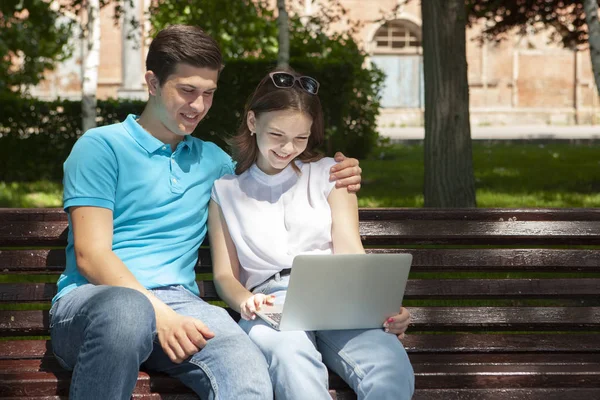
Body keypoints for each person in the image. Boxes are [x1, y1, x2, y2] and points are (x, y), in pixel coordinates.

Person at [49, 25, 362, 400]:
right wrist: (157, 314)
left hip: (181, 304)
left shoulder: (214, 162)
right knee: (127, 312)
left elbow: (274, 170)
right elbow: (91, 254)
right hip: (96, 302)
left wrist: (339, 168)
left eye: (208, 94)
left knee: (247, 369)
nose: (197, 105)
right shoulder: (100, 147)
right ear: (152, 83)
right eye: (186, 90)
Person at [208, 68, 414, 400]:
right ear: (252, 122)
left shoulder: (331, 176)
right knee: (292, 360)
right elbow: (224, 275)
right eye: (276, 134)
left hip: (338, 296)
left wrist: (385, 307)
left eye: (300, 138)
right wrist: (246, 300)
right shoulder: (225, 191)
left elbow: (350, 252)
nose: (287, 147)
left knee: (389, 365)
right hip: (271, 303)